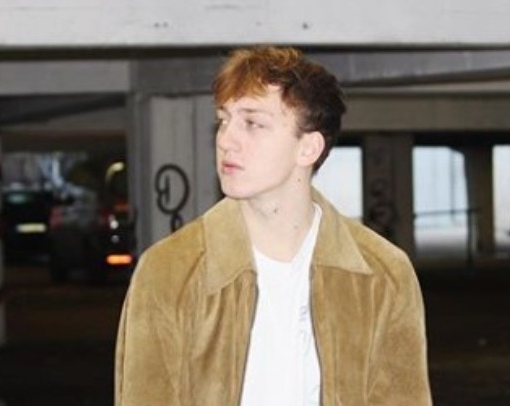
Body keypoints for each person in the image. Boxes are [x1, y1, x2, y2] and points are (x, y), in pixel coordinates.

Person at [114, 46, 432, 406]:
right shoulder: (168, 271)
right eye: (224, 120)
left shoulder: (383, 274)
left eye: (252, 123)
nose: (225, 140)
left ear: (308, 148)